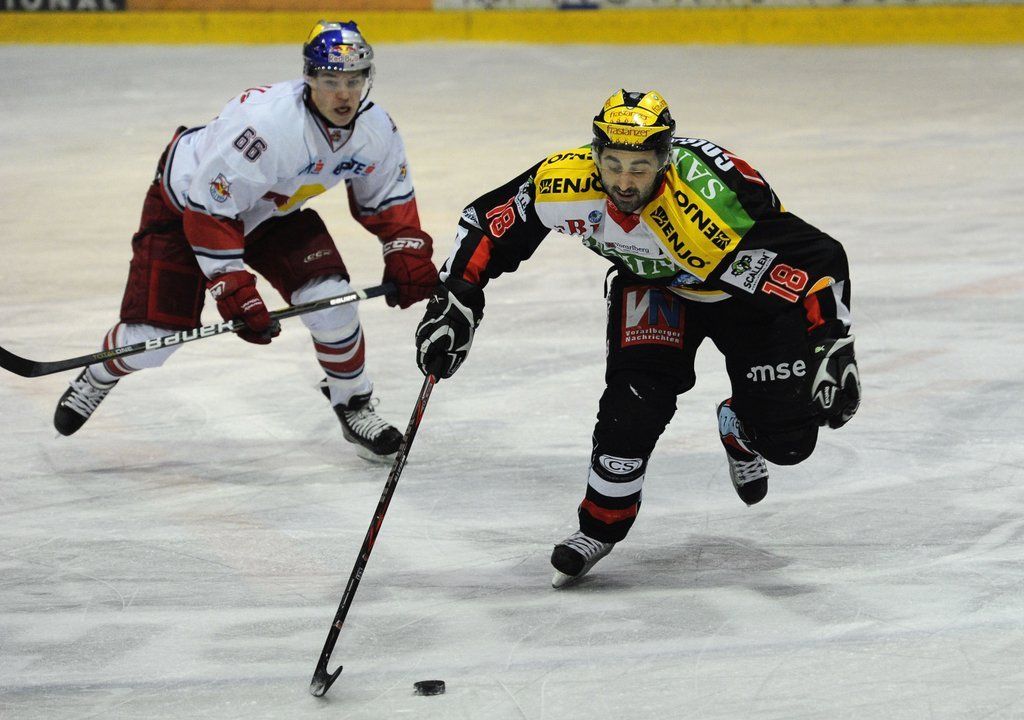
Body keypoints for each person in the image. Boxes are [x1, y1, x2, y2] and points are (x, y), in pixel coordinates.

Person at [415, 90, 860, 587]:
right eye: (613, 164)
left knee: (790, 444)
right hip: (656, 287)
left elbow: (819, 261)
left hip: (745, 297)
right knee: (633, 403)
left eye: (640, 168)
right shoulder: (566, 181)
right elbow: (489, 224)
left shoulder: (712, 210)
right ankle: (599, 526)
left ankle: (738, 424)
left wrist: (831, 343)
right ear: (595, 154)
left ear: (664, 161)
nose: (624, 183)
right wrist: (456, 297)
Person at [53, 20, 438, 462]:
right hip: (187, 208)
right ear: (310, 78)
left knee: (332, 301)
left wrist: (404, 246)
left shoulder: (375, 128)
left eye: (354, 80)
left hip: (271, 211)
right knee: (157, 340)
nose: (344, 95)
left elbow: (387, 198)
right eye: (332, 81)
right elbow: (209, 209)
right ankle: (99, 374)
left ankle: (353, 403)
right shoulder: (267, 127)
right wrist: (232, 287)